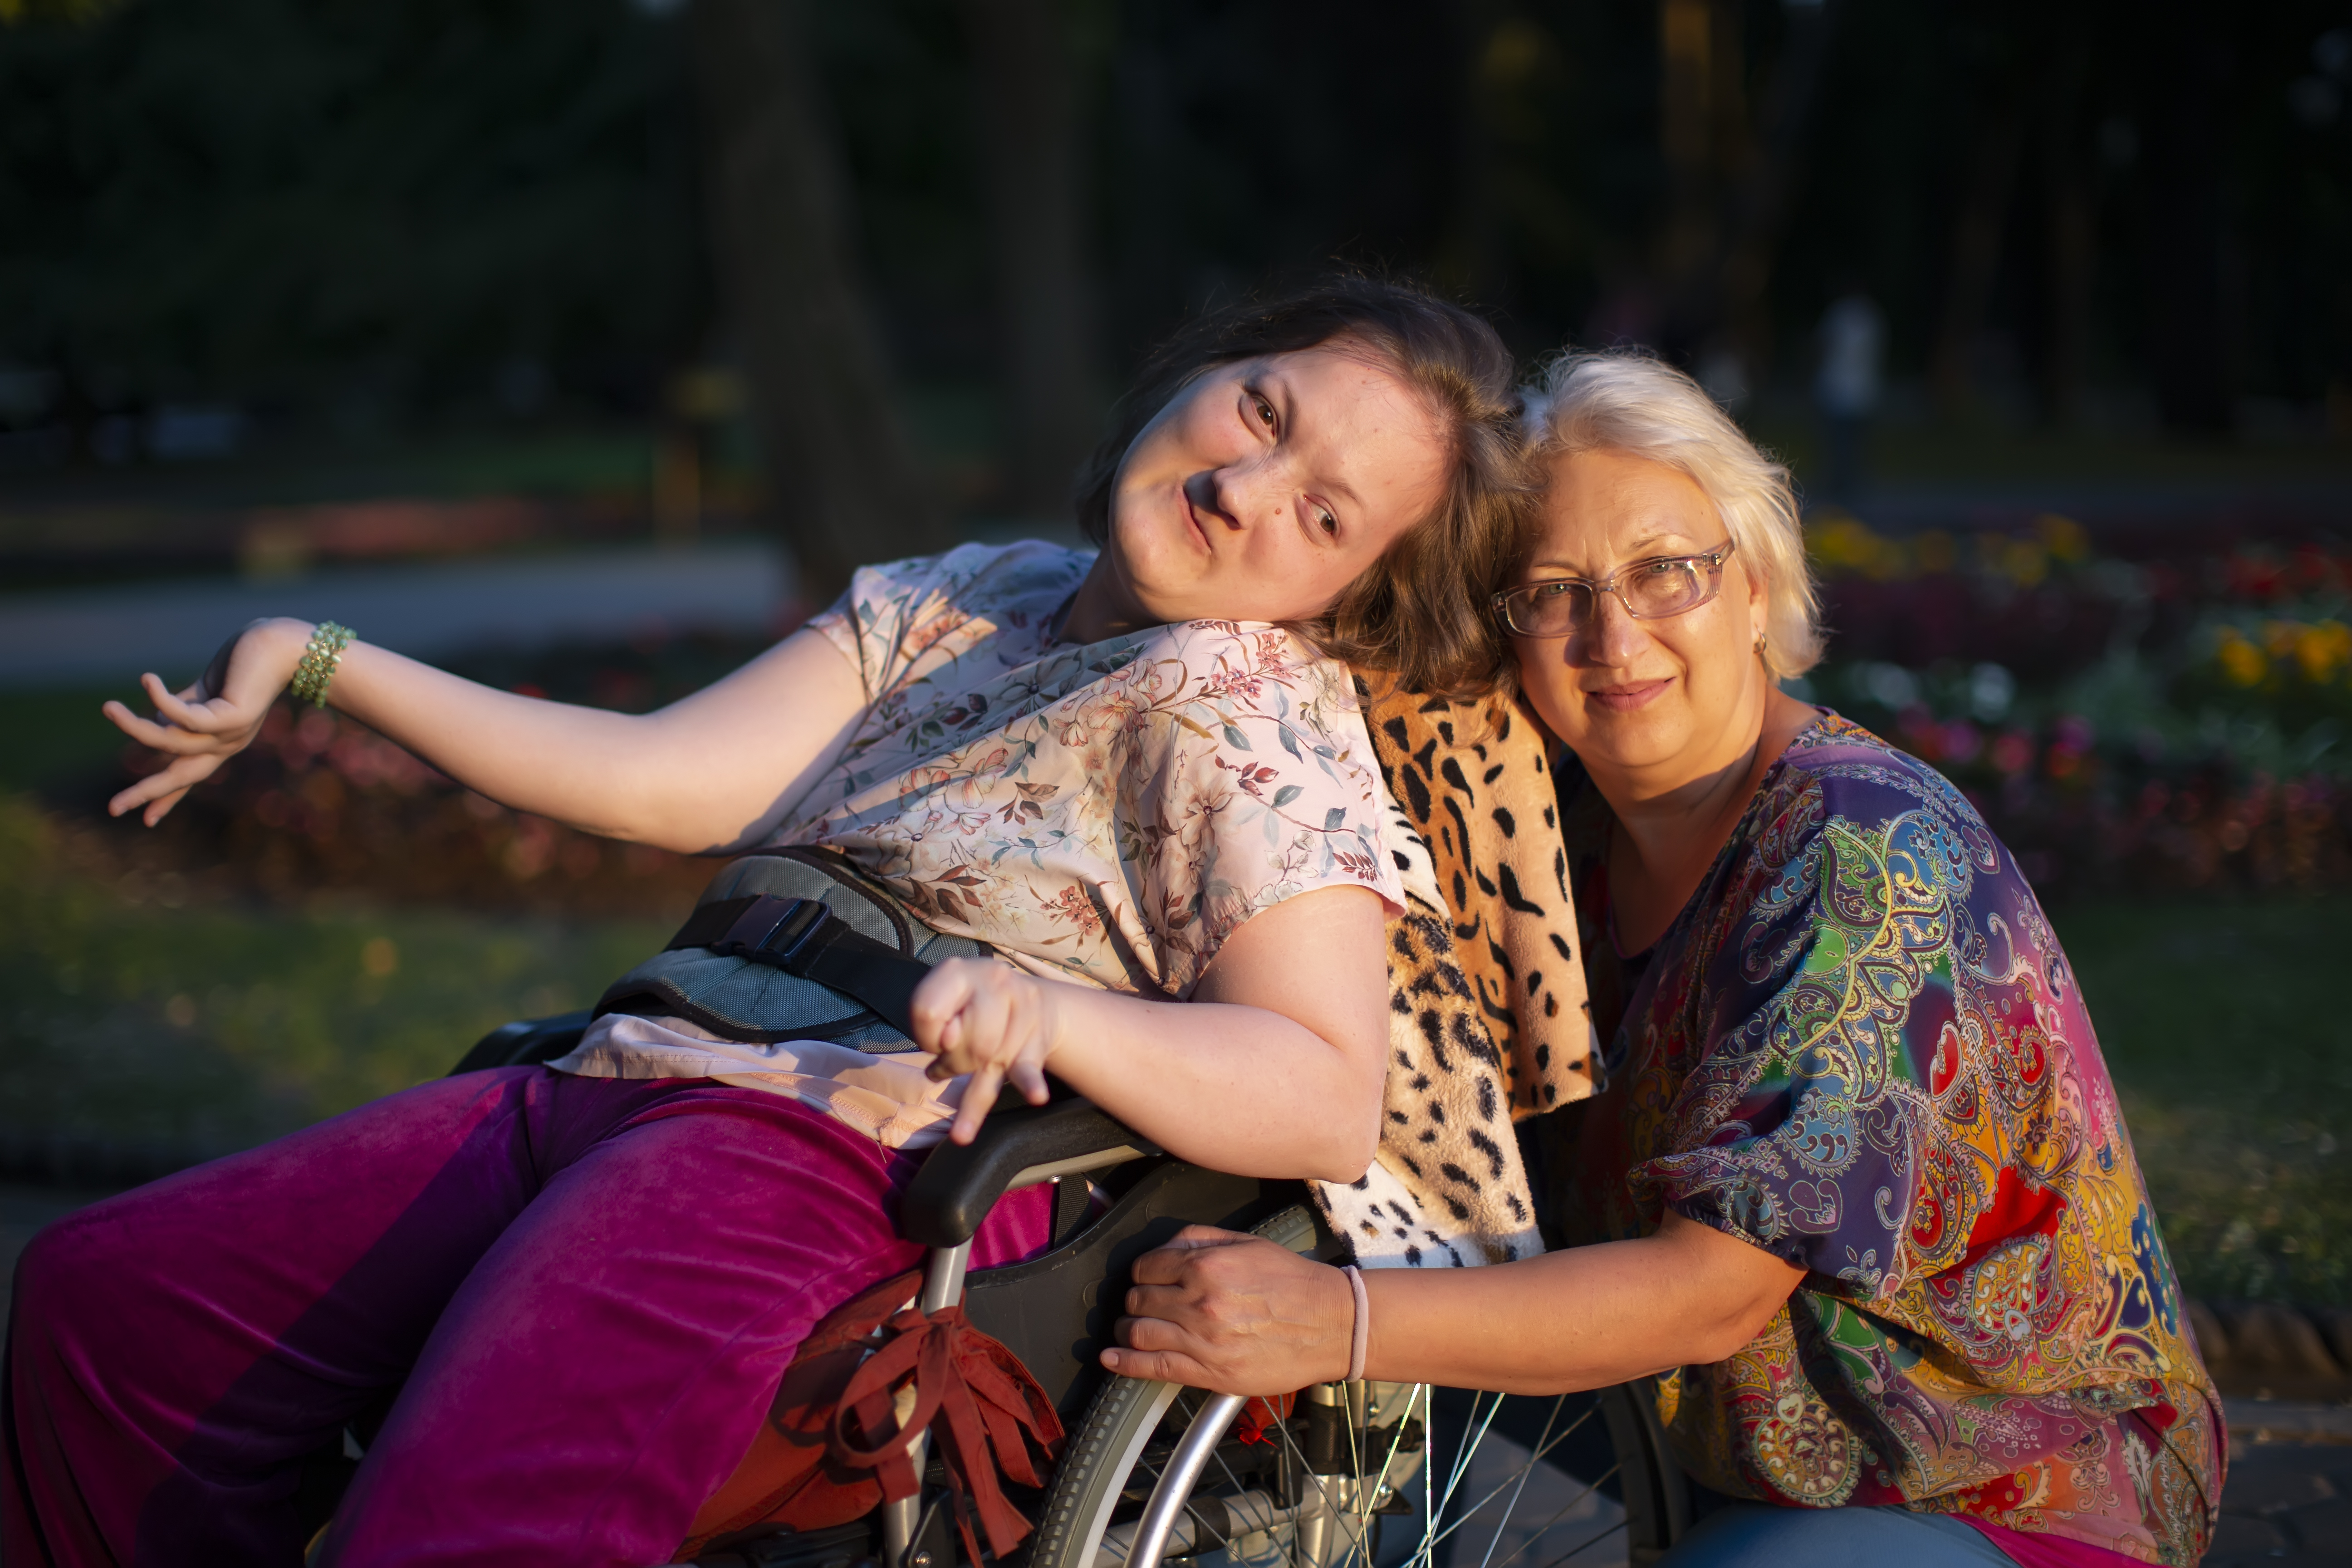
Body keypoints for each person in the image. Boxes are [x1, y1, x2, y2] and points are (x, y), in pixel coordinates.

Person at [1, 278, 1533, 1567]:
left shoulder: (1258, 716)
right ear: (1201, 371)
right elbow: (660, 776)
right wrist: (319, 656)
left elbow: (1327, 1094)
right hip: (632, 1067)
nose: (1243, 488)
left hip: (842, 1150)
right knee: (114, 1309)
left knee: (475, 1492)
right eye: (1261, 412)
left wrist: (1056, 1013)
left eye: (1322, 514)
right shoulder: (971, 595)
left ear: (1344, 596)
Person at [1103, 350, 2222, 1566]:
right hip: (1720, 1438)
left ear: (1755, 590)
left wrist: (1337, 1322)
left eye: (1666, 573)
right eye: (1552, 588)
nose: (1612, 634)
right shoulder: (1549, 834)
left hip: (1986, 1482)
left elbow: (1713, 1290)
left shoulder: (1860, 852)